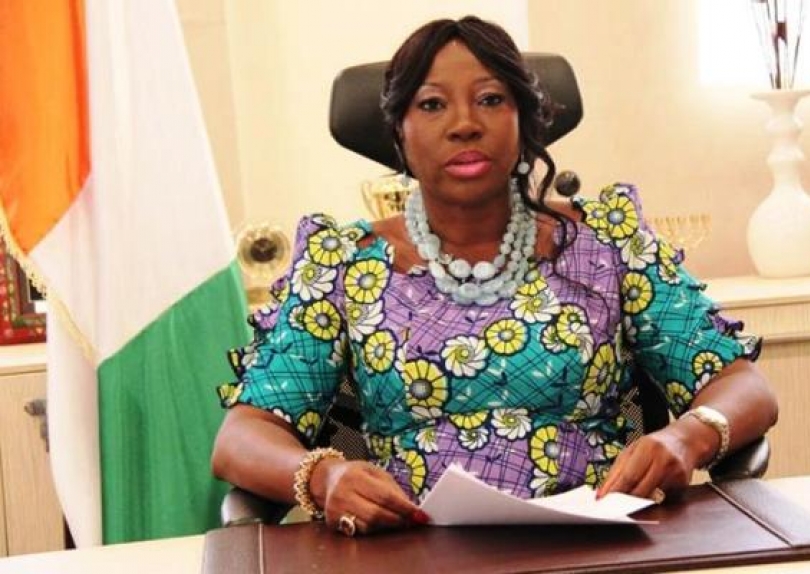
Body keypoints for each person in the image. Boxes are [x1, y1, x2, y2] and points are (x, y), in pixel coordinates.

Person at [211, 15, 778, 538]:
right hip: (410, 549)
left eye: (490, 99)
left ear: (524, 120)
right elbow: (242, 437)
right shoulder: (342, 262)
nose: (464, 124)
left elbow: (745, 387)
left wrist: (687, 436)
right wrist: (322, 476)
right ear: (399, 132)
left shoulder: (608, 240)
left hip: (594, 542)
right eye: (432, 105)